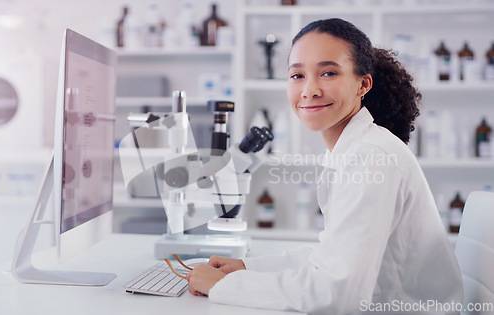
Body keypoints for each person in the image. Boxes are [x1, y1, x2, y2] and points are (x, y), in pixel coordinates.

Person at [186, 18, 463, 314]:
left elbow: (335, 295)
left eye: (328, 73)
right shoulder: (352, 149)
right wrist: (246, 267)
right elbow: (328, 257)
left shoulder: (371, 157)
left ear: (363, 84)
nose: (309, 90)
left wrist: (221, 286)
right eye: (297, 76)